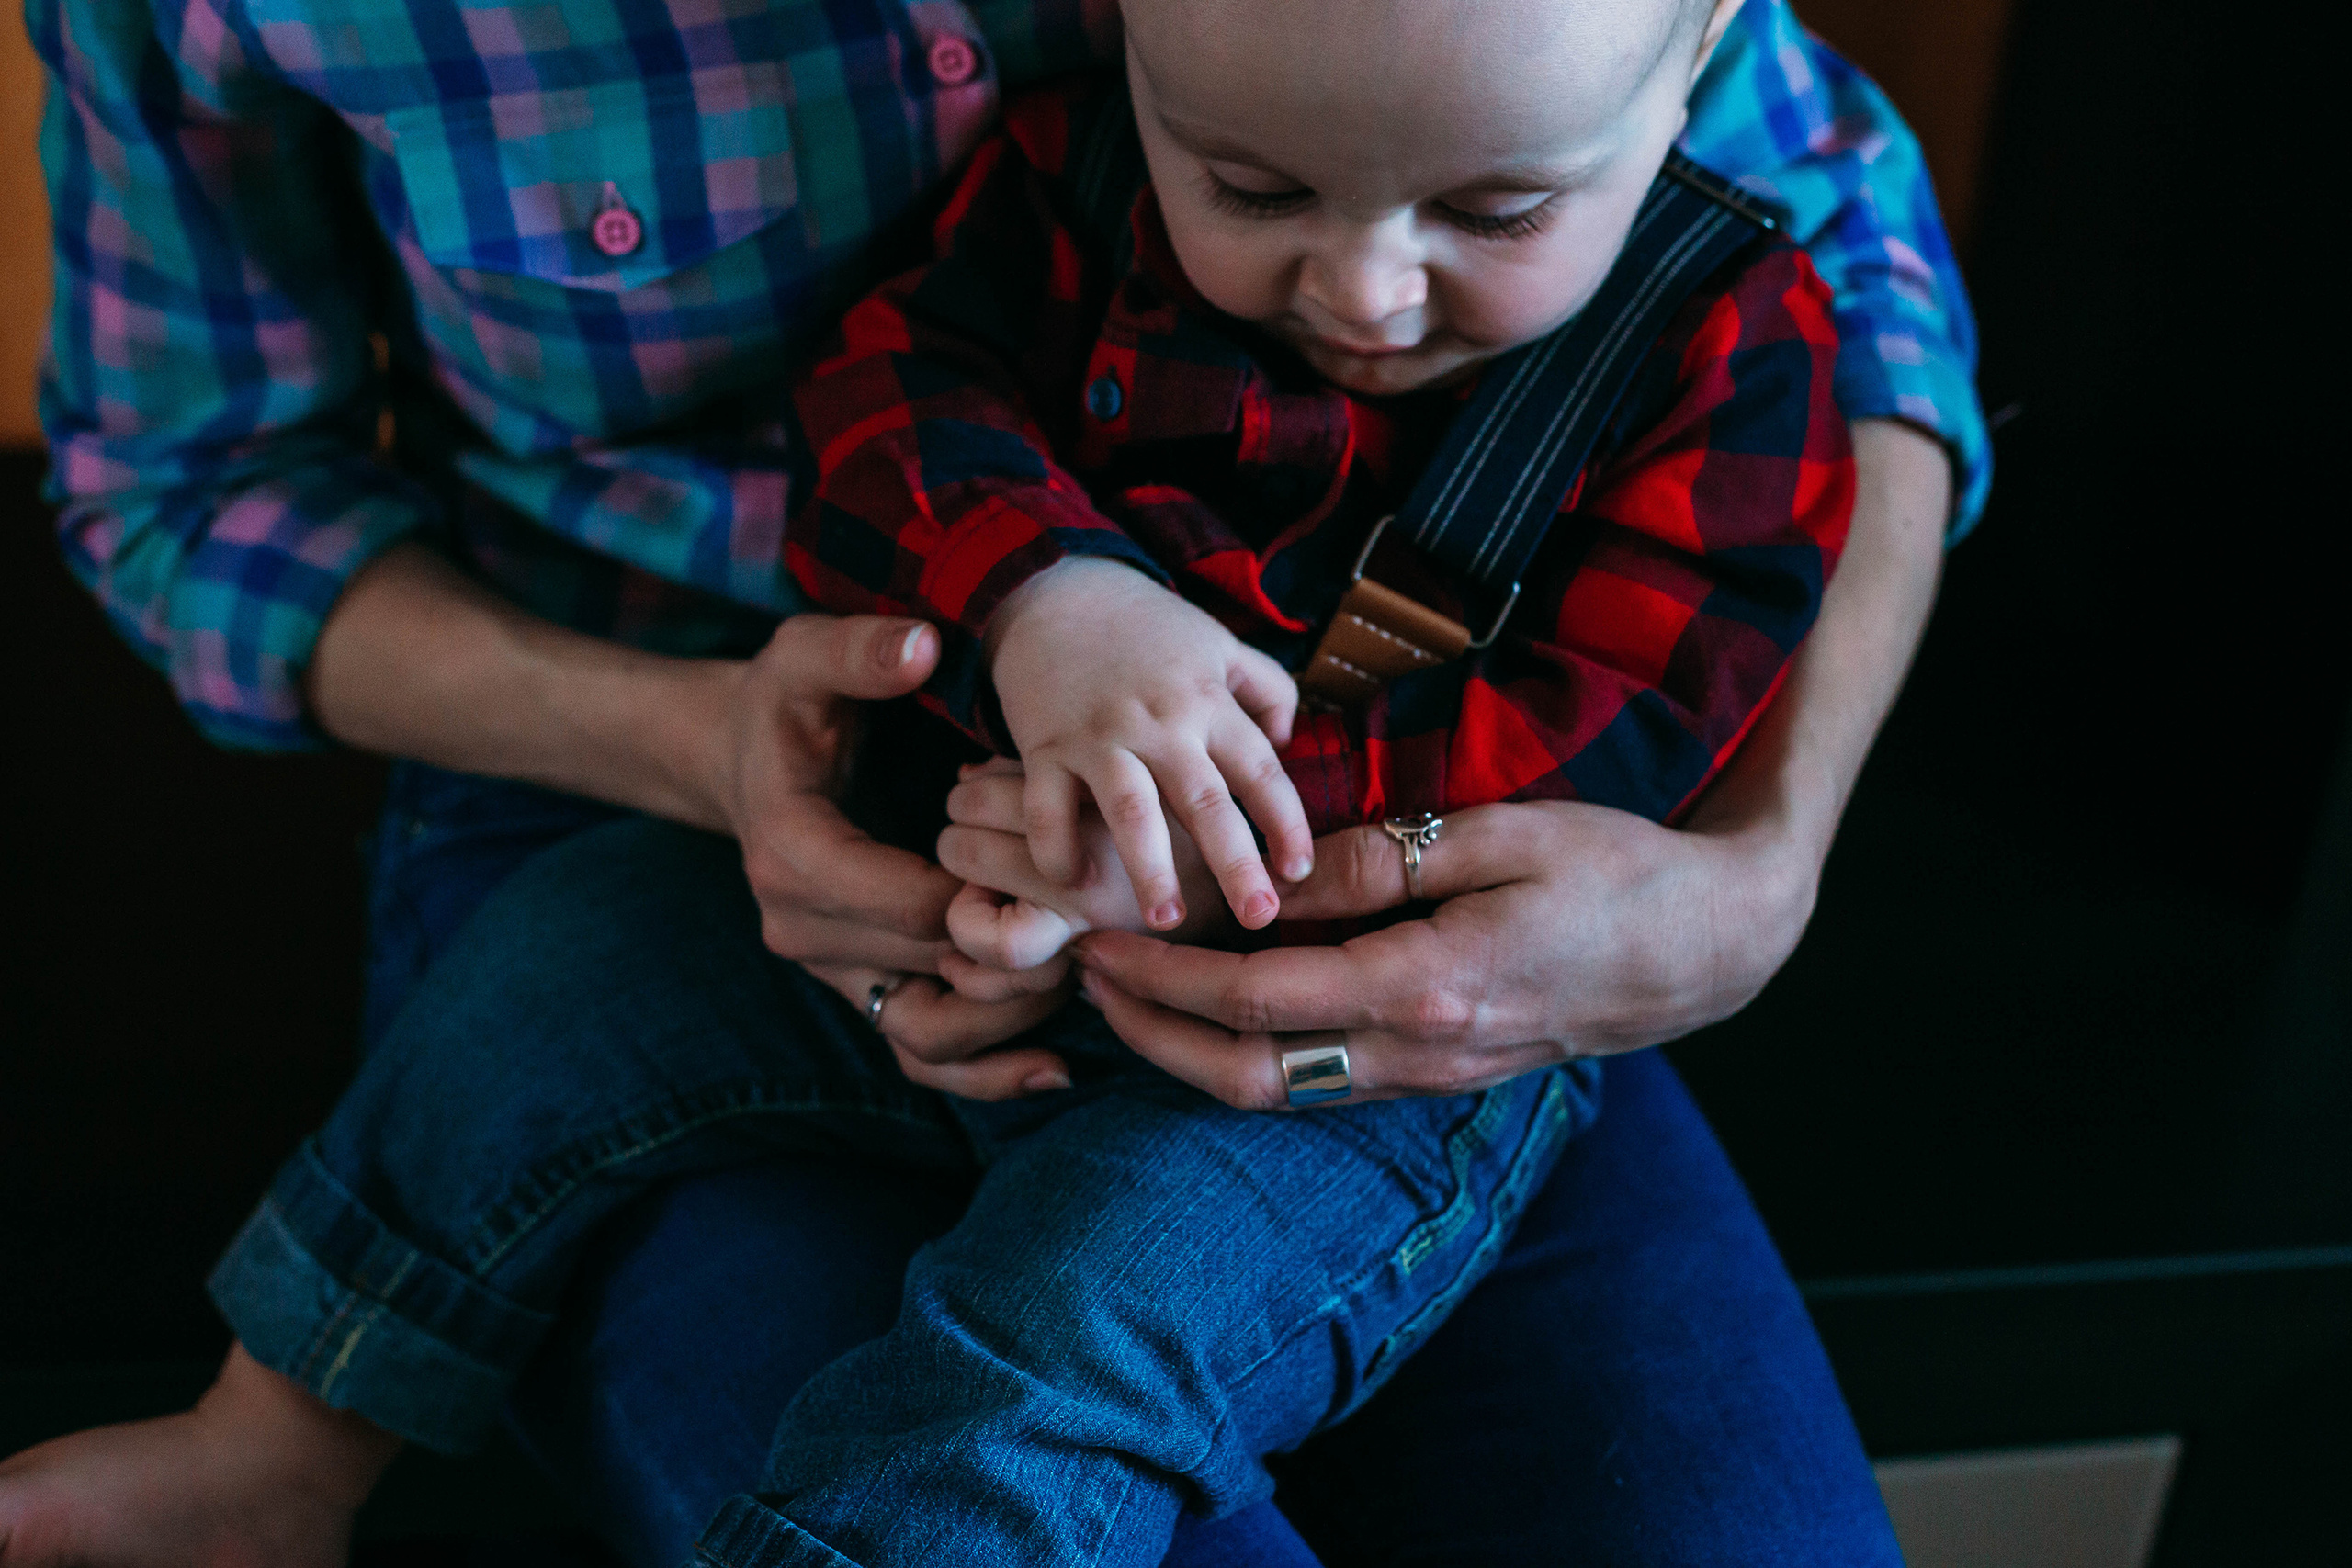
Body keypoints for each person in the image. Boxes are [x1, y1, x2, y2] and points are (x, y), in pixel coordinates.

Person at [0, 0, 1981, 1563]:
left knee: (1064, 1334)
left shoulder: (1718, 327)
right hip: (691, 756)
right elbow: (880, 394)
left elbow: (1645, 680)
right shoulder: (1067, 178)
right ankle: (267, 1446)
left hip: (1359, 952)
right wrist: (1042, 604)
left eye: (1485, 215)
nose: (1362, 294)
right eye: (1256, 189)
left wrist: (1756, 862)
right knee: (524, 1007)